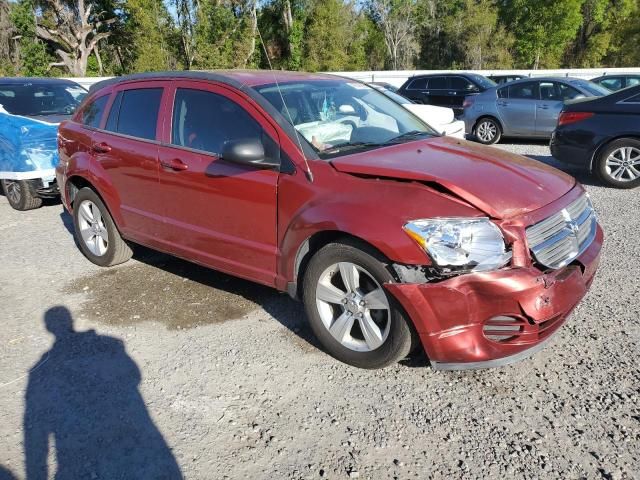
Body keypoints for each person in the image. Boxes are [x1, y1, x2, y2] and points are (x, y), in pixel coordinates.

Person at [24, 306, 182, 479]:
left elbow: (34, 425)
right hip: (135, 425)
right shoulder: (111, 344)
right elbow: (134, 375)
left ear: (48, 327)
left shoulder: (41, 368)